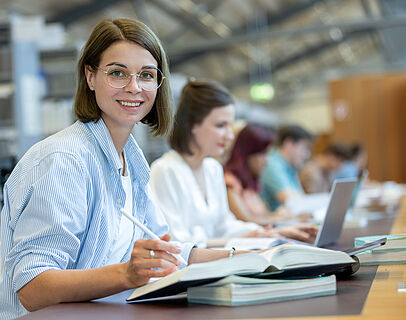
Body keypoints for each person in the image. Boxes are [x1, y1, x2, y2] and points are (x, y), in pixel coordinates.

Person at [0, 19, 240, 320]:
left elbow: (165, 250)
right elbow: (33, 287)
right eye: (117, 73)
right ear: (90, 76)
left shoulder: (131, 160)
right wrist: (126, 274)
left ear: (158, 83)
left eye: (146, 75)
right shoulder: (64, 159)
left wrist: (246, 260)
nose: (134, 87)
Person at [149, 81, 318, 248]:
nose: (230, 136)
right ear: (192, 124)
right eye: (221, 125)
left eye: (230, 126)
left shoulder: (212, 169)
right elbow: (177, 242)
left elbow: (225, 226)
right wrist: (252, 237)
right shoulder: (165, 170)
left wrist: (273, 232)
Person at [223, 124, 293, 225]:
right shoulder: (230, 182)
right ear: (247, 153)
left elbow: (262, 216)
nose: (267, 160)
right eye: (263, 153)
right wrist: (280, 219)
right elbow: (246, 221)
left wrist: (280, 215)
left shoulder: (248, 182)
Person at [260, 125, 313, 211]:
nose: (307, 155)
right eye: (304, 148)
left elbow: (301, 198)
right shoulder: (271, 164)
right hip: (274, 222)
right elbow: (292, 201)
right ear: (289, 144)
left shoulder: (291, 167)